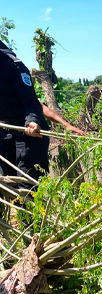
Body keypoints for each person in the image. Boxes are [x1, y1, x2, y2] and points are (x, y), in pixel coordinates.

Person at [0, 41, 51, 187]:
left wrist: (32, 121)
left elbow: (31, 101)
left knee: (27, 184)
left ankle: (29, 209)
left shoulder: (14, 66)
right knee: (4, 183)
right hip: (4, 130)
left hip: (28, 132)